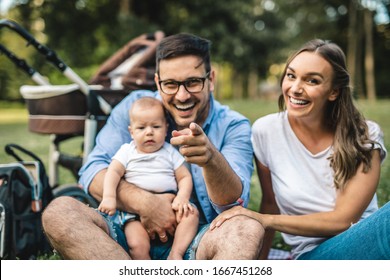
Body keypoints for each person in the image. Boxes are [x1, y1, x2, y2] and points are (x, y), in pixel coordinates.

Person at [42, 33, 264, 260]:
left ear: (211, 80)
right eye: (170, 84)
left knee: (247, 228)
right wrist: (146, 204)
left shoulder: (233, 125)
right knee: (59, 212)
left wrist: (211, 160)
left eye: (193, 82)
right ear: (158, 82)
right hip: (125, 234)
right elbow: (92, 171)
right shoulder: (135, 107)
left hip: (196, 240)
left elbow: (234, 207)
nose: (182, 95)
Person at [210, 39, 389, 260]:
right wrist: (262, 265)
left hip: (366, 244)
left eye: (312, 80)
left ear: (333, 92)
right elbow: (270, 203)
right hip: (313, 256)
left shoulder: (365, 135)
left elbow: (344, 220)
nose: (295, 89)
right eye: (291, 76)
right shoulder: (266, 131)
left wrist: (263, 219)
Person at [98, 97, 198, 260]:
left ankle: (176, 254)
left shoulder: (169, 152)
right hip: (134, 213)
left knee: (191, 215)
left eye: (156, 126)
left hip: (171, 204)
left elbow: (184, 177)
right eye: (141, 127)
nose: (149, 132)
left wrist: (182, 197)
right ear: (131, 132)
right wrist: (109, 197)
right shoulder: (127, 151)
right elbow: (113, 173)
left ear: (166, 129)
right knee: (137, 244)